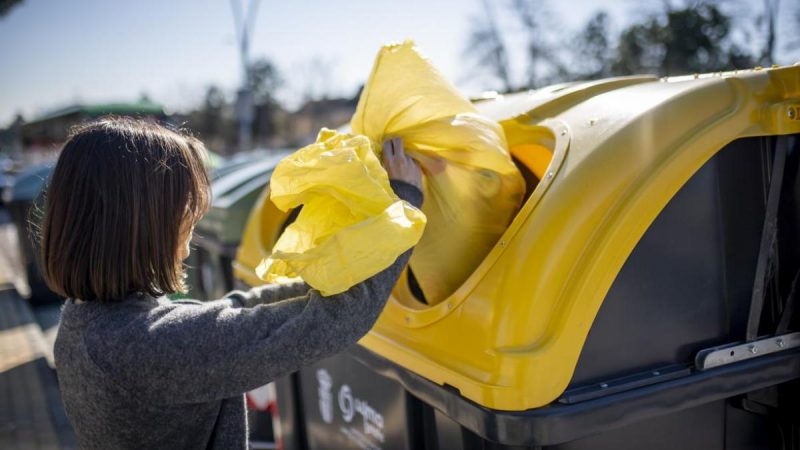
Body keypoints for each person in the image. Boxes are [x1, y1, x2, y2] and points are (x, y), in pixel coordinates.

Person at [43, 117, 423, 449]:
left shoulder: (84, 324)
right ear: (143, 225)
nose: (191, 234)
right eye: (186, 214)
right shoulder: (149, 349)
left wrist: (321, 280)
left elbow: (232, 313)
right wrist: (405, 201)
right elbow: (334, 321)